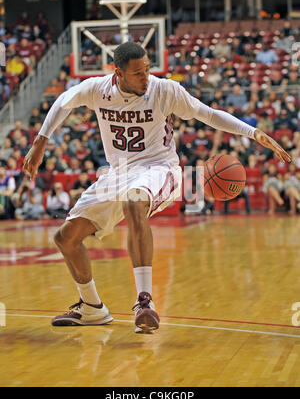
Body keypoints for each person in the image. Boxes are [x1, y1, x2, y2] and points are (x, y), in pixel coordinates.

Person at [23, 42, 291, 334]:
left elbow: (209, 114)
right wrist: (41, 141)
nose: (146, 77)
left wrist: (253, 132)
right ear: (119, 74)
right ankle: (92, 308)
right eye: (138, 73)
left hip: (158, 168)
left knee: (134, 200)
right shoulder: (97, 89)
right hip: (118, 173)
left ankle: (144, 300)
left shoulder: (164, 90)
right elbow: (64, 100)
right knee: (66, 237)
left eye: (148, 69)